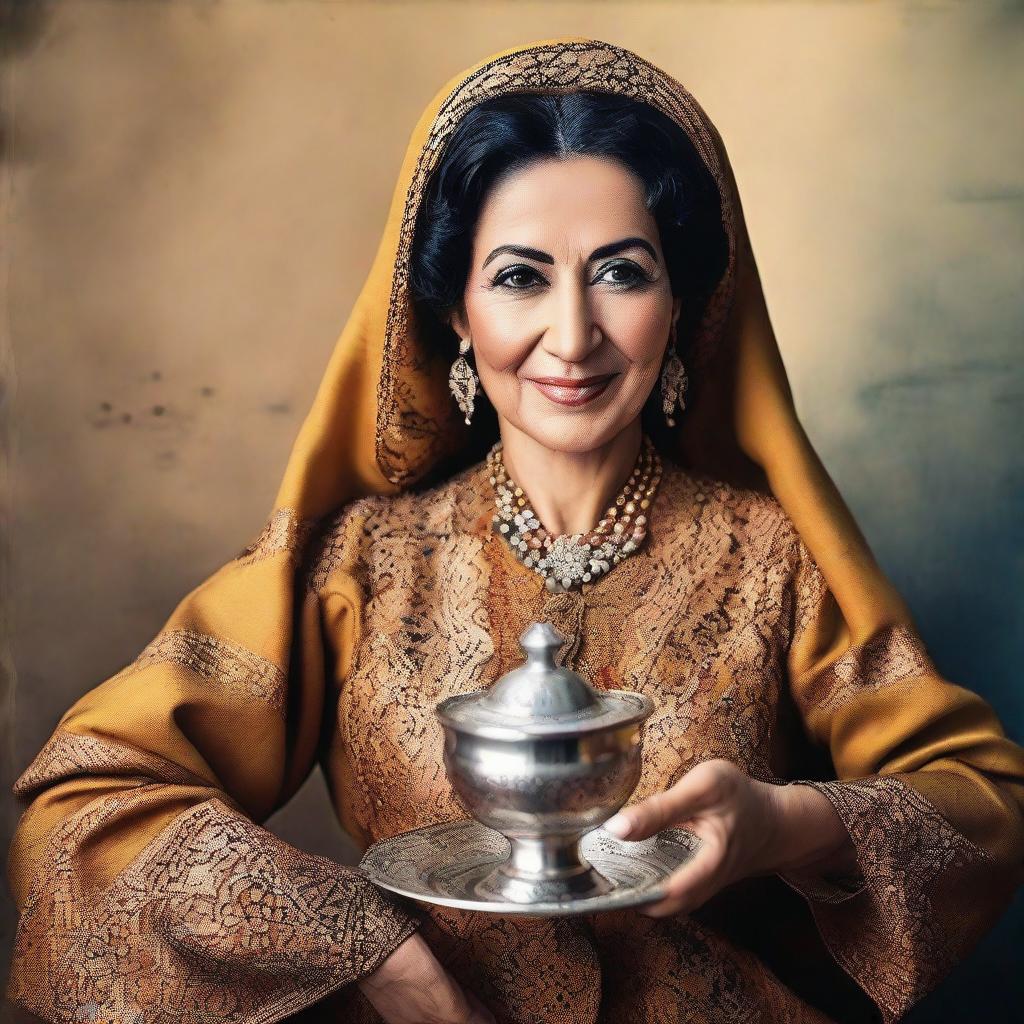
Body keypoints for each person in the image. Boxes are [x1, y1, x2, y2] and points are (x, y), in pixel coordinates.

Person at [5, 34, 1024, 1024]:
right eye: (519, 277)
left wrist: (782, 824)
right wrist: (367, 947)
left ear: (683, 302)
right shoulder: (349, 566)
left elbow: (982, 804)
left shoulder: (775, 561)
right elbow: (88, 800)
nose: (572, 334)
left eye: (622, 272)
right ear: (452, 306)